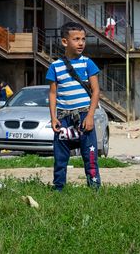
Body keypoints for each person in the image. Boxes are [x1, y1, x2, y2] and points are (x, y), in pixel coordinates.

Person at [46, 21, 102, 191]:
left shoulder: (88, 63)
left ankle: (94, 188)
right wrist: (54, 117)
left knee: (89, 154)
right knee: (60, 156)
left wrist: (91, 116)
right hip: (64, 117)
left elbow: (96, 91)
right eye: (76, 39)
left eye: (83, 39)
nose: (80, 43)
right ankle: (59, 189)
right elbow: (53, 93)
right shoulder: (55, 66)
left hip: (85, 116)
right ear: (65, 42)